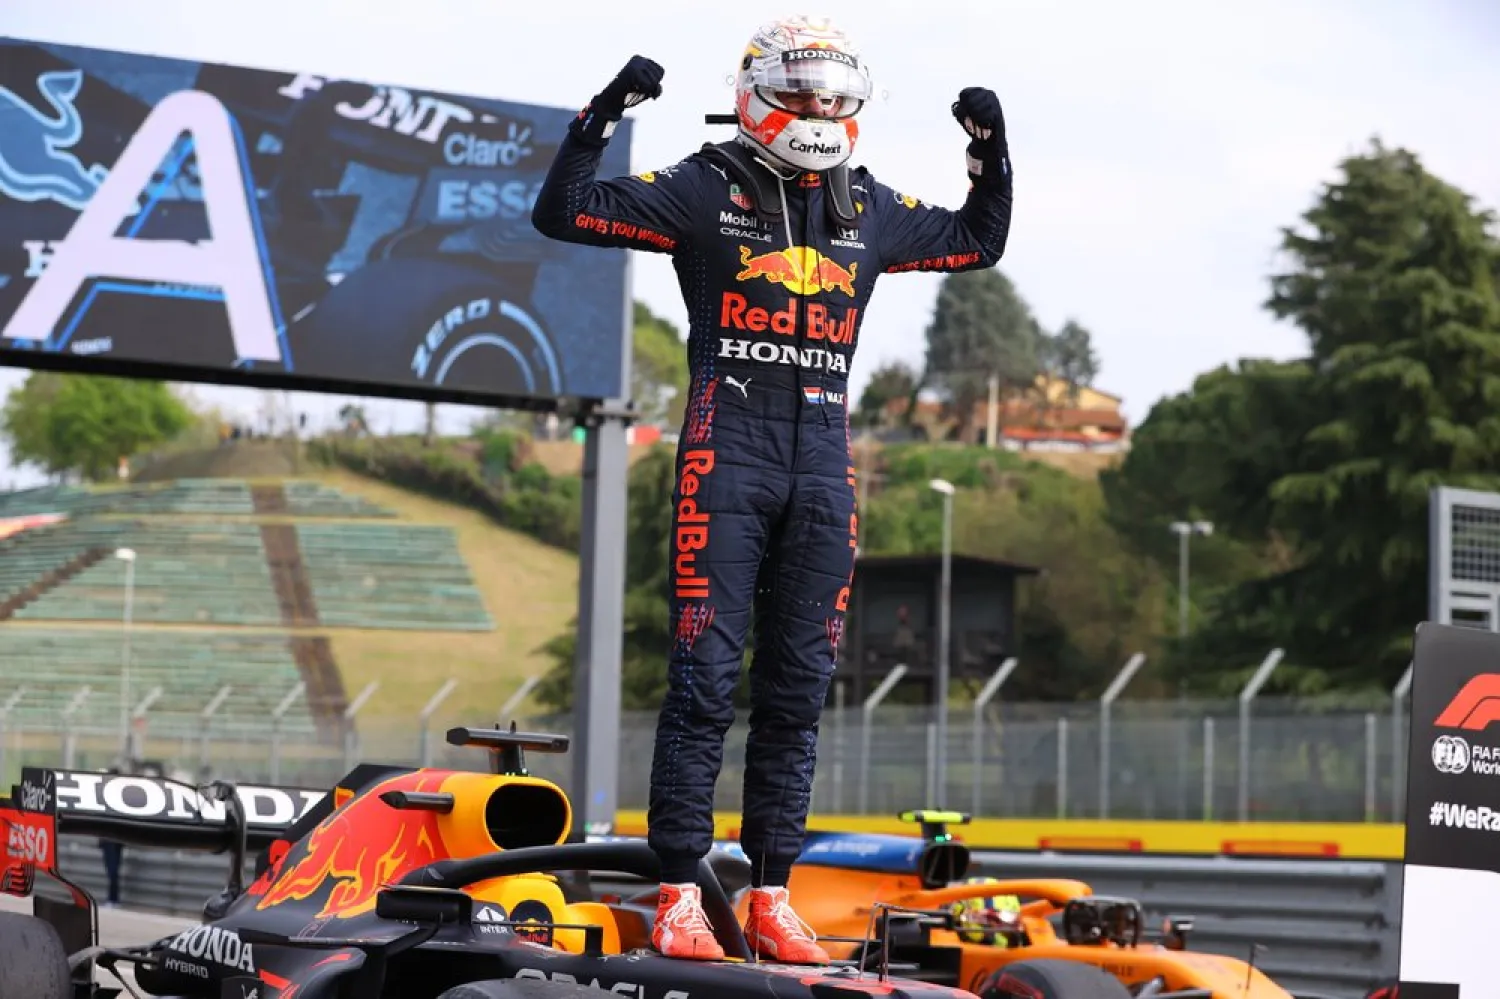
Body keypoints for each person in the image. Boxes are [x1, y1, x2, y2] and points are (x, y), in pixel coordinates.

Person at [532, 14, 1013, 963]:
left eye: (836, 98)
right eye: (802, 94)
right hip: (728, 455)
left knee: (799, 688)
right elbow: (565, 211)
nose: (819, 111)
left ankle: (771, 893)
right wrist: (602, 115)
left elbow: (978, 241)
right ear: (756, 94)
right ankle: (677, 887)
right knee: (706, 678)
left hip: (826, 469)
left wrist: (991, 153)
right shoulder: (702, 183)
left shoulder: (866, 204)